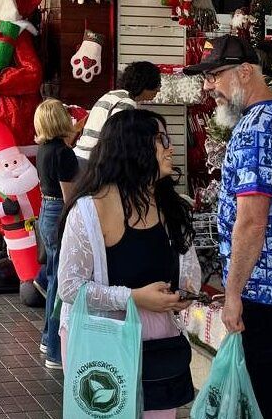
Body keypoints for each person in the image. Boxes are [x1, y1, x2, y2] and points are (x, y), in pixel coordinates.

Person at [188, 35, 272, 419]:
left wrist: (232, 294)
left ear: (245, 72)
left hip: (262, 286)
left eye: (214, 76)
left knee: (267, 391)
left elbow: (251, 221)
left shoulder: (256, 130)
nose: (208, 86)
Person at [57, 109, 200, 418]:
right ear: (133, 147)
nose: (170, 147)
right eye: (161, 139)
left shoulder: (174, 208)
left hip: (161, 345)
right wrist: (134, 298)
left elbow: (190, 270)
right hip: (101, 341)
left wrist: (184, 294)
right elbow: (70, 287)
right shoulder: (88, 212)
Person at [32, 99, 78, 369]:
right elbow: (69, 196)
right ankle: (54, 350)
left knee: (53, 276)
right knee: (60, 282)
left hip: (45, 210)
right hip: (59, 212)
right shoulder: (63, 153)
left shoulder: (44, 150)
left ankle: (47, 338)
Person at [73, 60, 161, 169]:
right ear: (146, 83)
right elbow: (116, 138)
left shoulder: (112, 95)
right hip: (93, 161)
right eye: (157, 84)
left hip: (81, 156)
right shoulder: (127, 103)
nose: (159, 89)